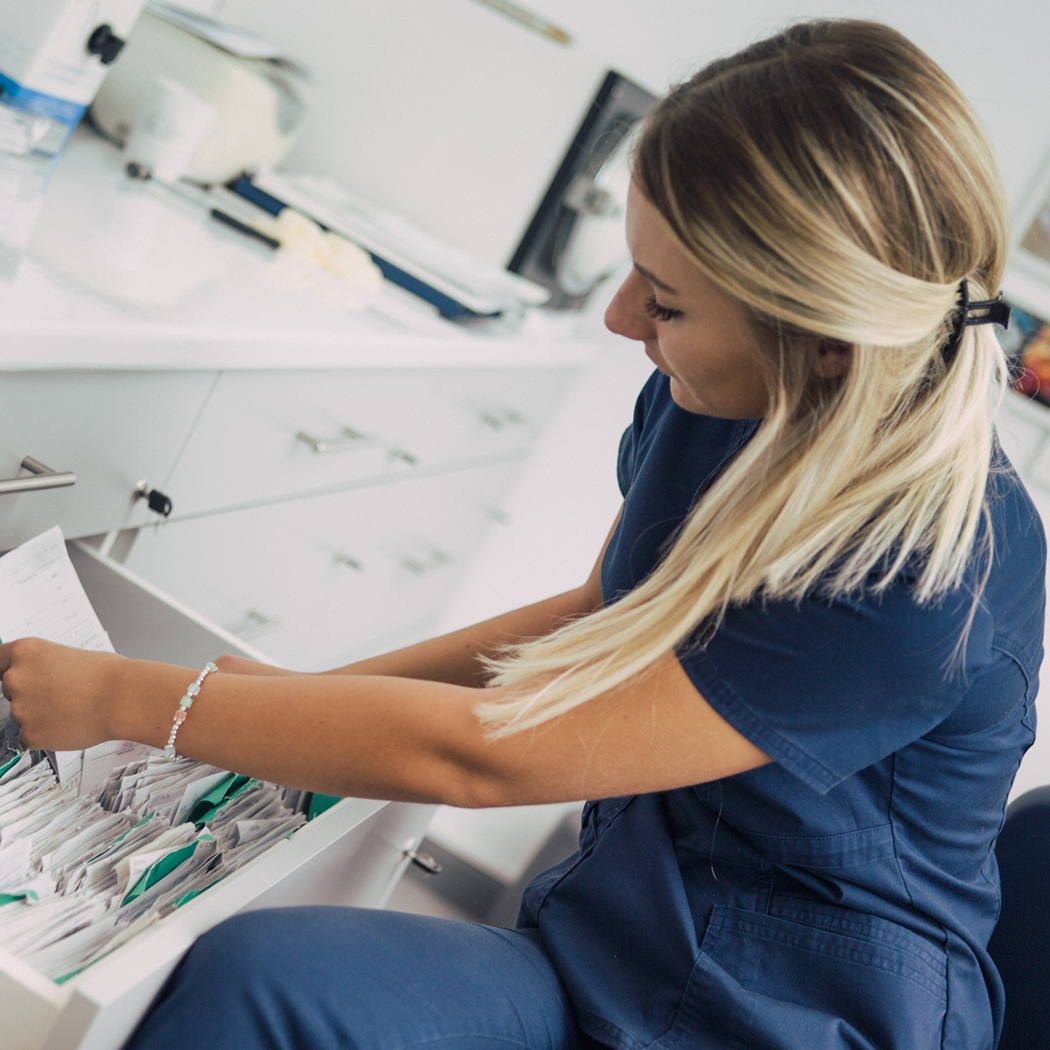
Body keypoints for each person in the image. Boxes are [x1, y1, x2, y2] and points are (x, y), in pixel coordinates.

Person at [0, 17, 1044, 1050]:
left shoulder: (924, 575)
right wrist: (274, 707)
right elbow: (593, 622)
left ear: (822, 342)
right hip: (623, 947)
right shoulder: (715, 401)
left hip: (793, 1018)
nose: (620, 319)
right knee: (268, 982)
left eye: (667, 303)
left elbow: (489, 761)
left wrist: (136, 701)